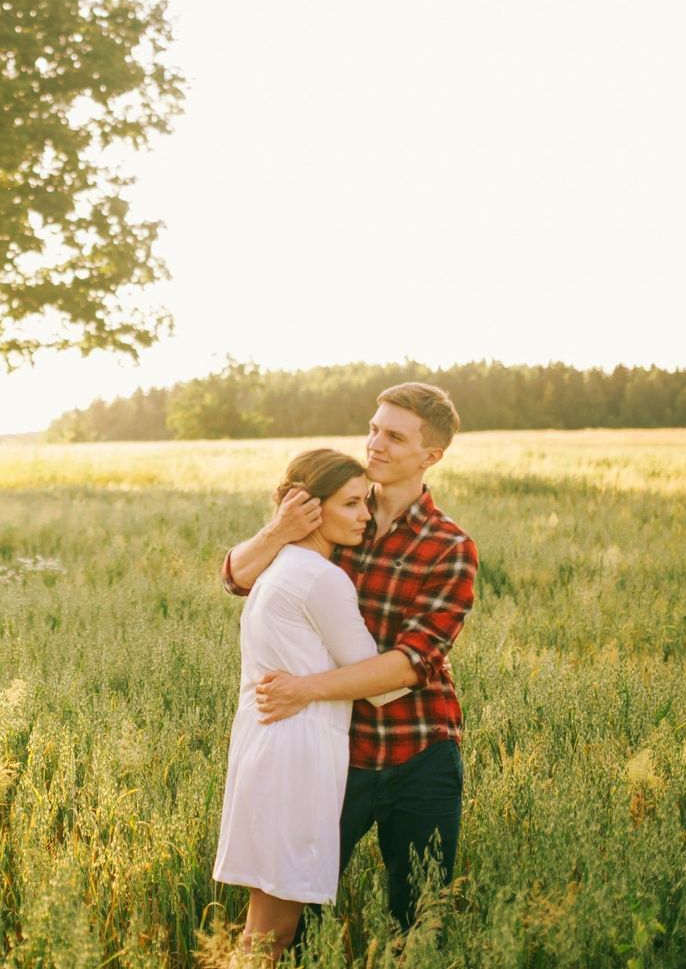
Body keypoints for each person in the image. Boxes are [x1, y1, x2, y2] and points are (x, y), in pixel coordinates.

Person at [220, 382, 477, 936]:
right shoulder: (338, 512)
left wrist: (306, 688)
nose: (374, 443)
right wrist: (280, 529)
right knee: (294, 914)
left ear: (431, 455)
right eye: (373, 428)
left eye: (394, 436)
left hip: (418, 750)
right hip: (336, 755)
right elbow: (236, 578)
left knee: (422, 920)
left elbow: (413, 664)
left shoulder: (449, 545)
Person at [212, 448, 407, 961]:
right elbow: (379, 681)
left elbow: (235, 572)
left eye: (365, 503)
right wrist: (420, 661)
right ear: (310, 509)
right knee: (272, 930)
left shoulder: (279, 566)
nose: (366, 516)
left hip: (267, 743)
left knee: (265, 921)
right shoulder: (321, 577)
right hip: (298, 752)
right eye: (351, 504)